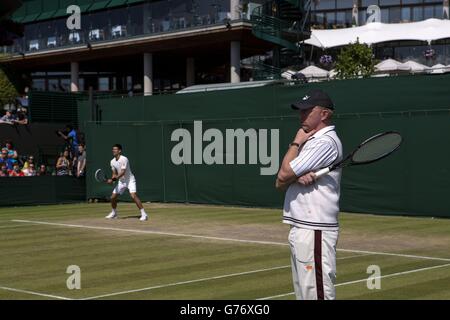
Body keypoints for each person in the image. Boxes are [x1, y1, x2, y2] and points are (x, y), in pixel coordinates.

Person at [275, 89, 343, 300]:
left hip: (315, 228)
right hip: (304, 227)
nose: (301, 116)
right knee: (305, 295)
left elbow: (283, 174)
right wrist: (294, 176)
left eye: (307, 111)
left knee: (316, 295)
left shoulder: (324, 142)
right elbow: (280, 182)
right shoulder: (312, 141)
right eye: (300, 111)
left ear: (324, 114)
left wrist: (296, 142)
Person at [105, 144, 148, 221]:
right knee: (113, 197)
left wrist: (114, 179)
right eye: (113, 149)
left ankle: (144, 214)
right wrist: (112, 180)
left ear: (119, 151)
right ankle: (114, 213)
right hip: (121, 182)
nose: (113, 150)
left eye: (115, 149)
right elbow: (114, 173)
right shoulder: (112, 161)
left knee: (133, 196)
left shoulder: (124, 159)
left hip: (130, 180)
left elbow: (122, 172)